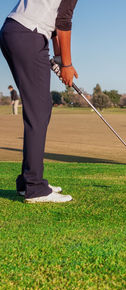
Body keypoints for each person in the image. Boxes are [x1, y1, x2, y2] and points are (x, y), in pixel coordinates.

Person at [0, 0, 78, 203]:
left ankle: (27, 182)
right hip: (29, 34)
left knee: (37, 109)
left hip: (14, 30)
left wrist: (60, 59)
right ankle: (35, 186)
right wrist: (67, 64)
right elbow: (63, 22)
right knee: (39, 111)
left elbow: (54, 25)